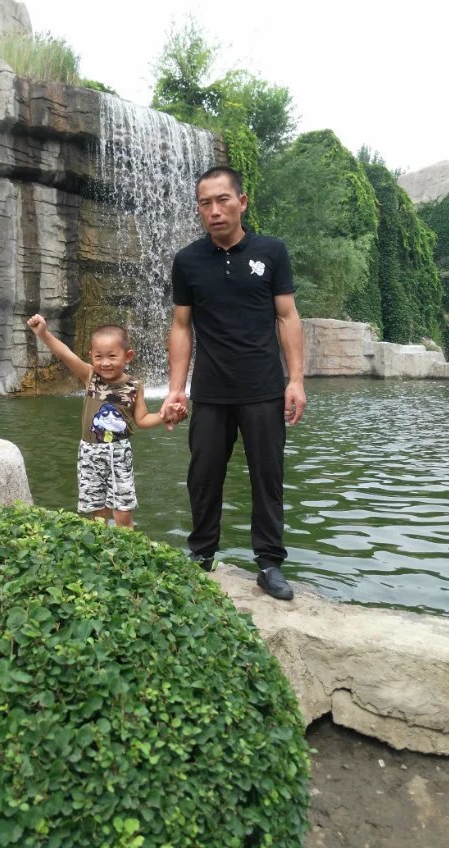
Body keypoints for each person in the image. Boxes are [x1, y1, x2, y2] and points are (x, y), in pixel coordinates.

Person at [159, 166, 306, 600]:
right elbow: (181, 326)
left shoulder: (271, 251)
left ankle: (269, 563)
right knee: (203, 475)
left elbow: (287, 317)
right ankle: (202, 555)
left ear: (241, 202)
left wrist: (296, 380)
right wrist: (176, 388)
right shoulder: (187, 260)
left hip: (263, 387)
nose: (215, 210)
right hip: (210, 390)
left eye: (223, 200)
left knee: (267, 476)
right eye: (205, 203)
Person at [27, 315, 186, 529]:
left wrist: (163, 415)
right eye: (99, 356)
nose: (105, 363)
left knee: (122, 511)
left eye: (112, 356)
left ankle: (127, 544)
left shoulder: (134, 386)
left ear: (128, 356)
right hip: (89, 452)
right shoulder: (90, 376)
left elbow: (141, 420)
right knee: (98, 510)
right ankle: (101, 545)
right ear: (91, 356)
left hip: (119, 453)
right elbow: (65, 354)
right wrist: (44, 333)